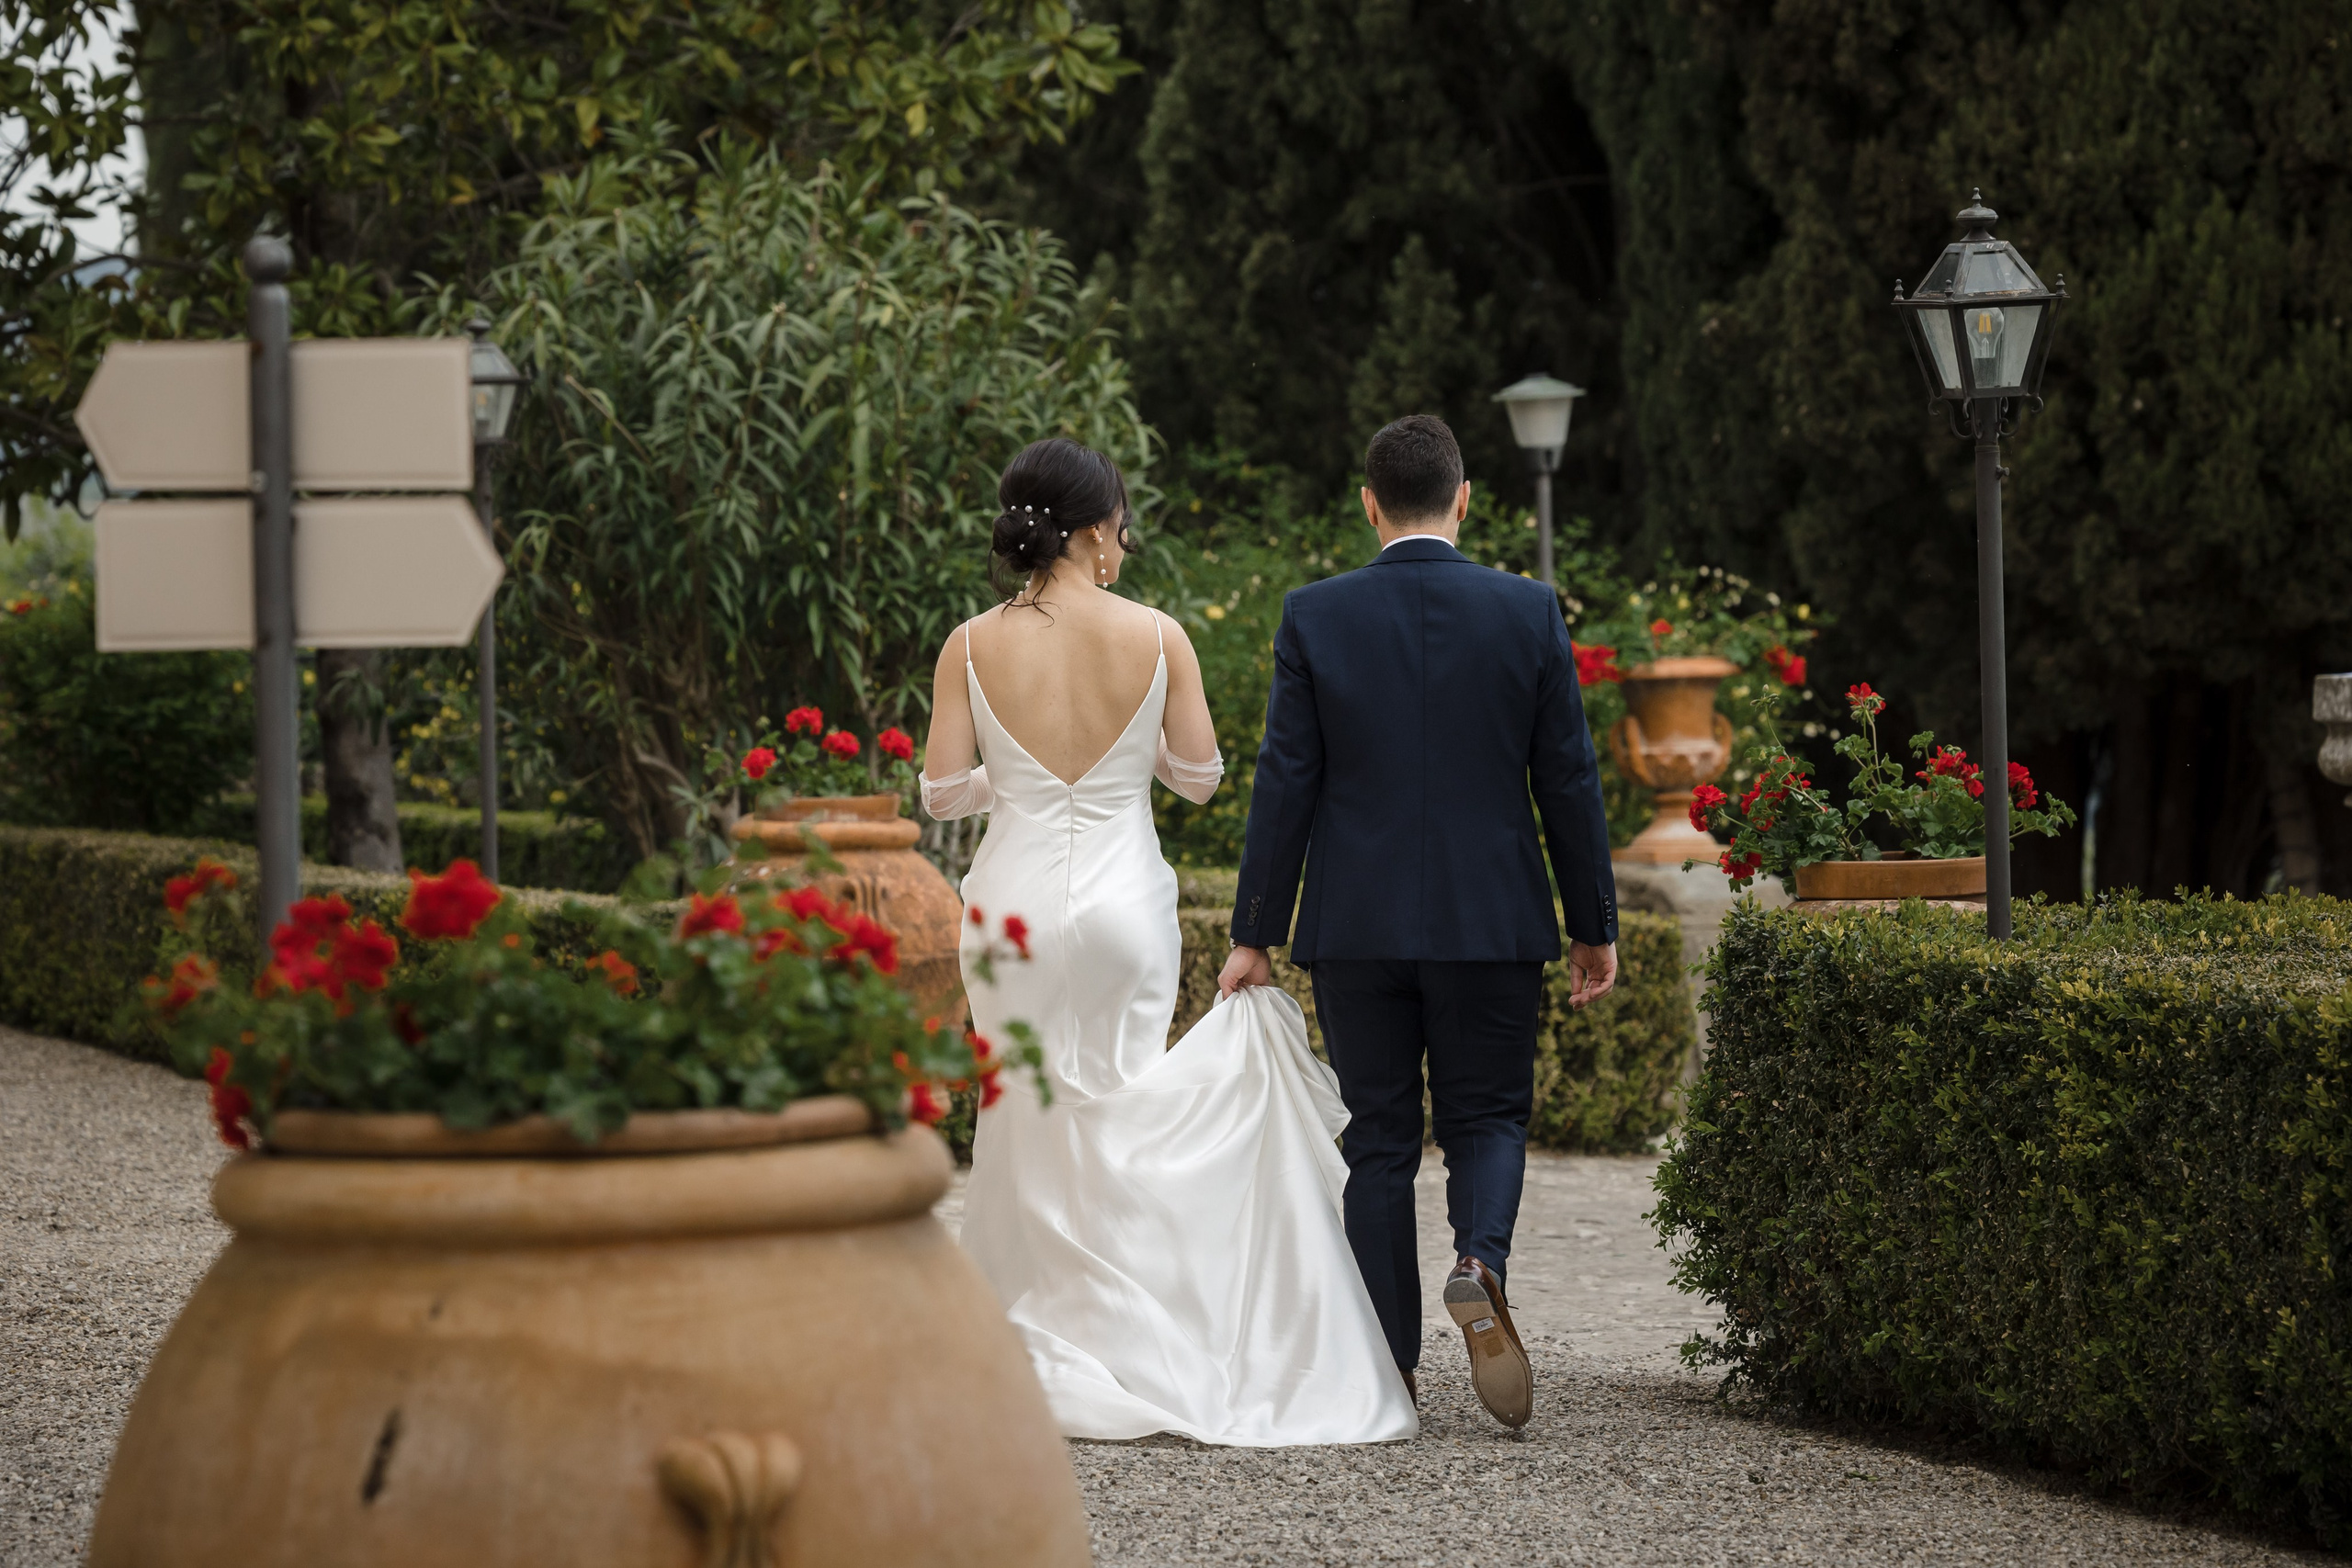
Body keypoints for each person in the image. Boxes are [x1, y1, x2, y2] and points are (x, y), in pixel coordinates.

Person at [922, 435, 1417, 1447]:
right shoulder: (1157, 634)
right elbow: (1199, 777)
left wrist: (1016, 783)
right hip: (1120, 905)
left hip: (1008, 903)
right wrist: (1126, 758)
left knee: (1020, 1105)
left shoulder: (969, 643)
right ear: (1100, 526)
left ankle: (1023, 1330)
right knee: (1121, 1101)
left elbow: (938, 794)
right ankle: (1136, 1332)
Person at [1218, 413, 1619, 1431]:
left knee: (1379, 1143)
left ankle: (1386, 1372)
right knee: (1487, 1119)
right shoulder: (1528, 611)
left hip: (1355, 925)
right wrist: (1592, 922)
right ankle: (1479, 1260)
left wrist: (1253, 931)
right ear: (1465, 498)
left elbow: (1286, 781)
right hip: (1493, 920)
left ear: (1368, 504)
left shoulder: (1315, 614)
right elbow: (1567, 779)